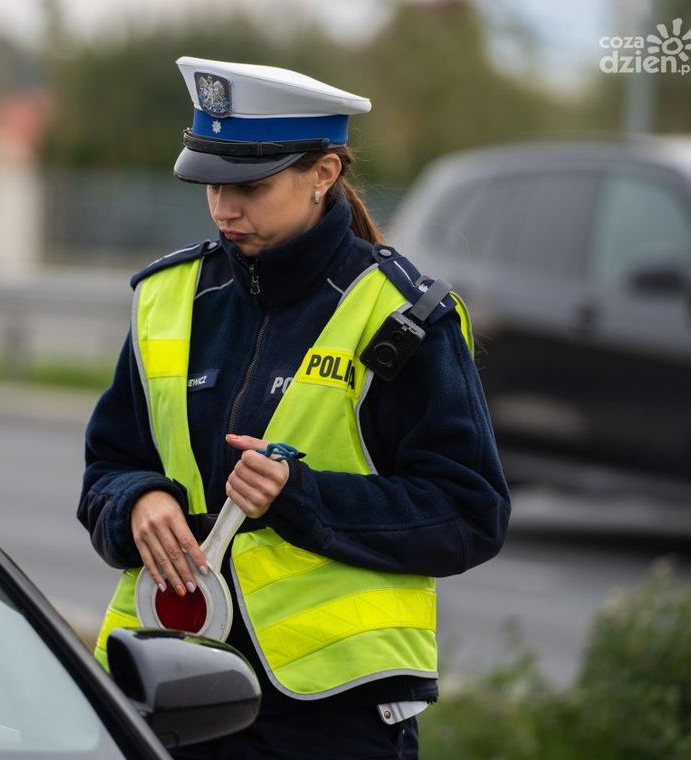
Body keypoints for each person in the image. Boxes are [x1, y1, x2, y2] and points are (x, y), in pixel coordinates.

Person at [77, 56, 510, 759]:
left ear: (324, 174)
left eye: (249, 185)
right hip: (169, 689)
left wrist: (300, 497)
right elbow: (108, 467)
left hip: (333, 723)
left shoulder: (401, 317)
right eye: (210, 182)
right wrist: (136, 502)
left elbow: (470, 512)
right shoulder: (168, 296)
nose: (224, 208)